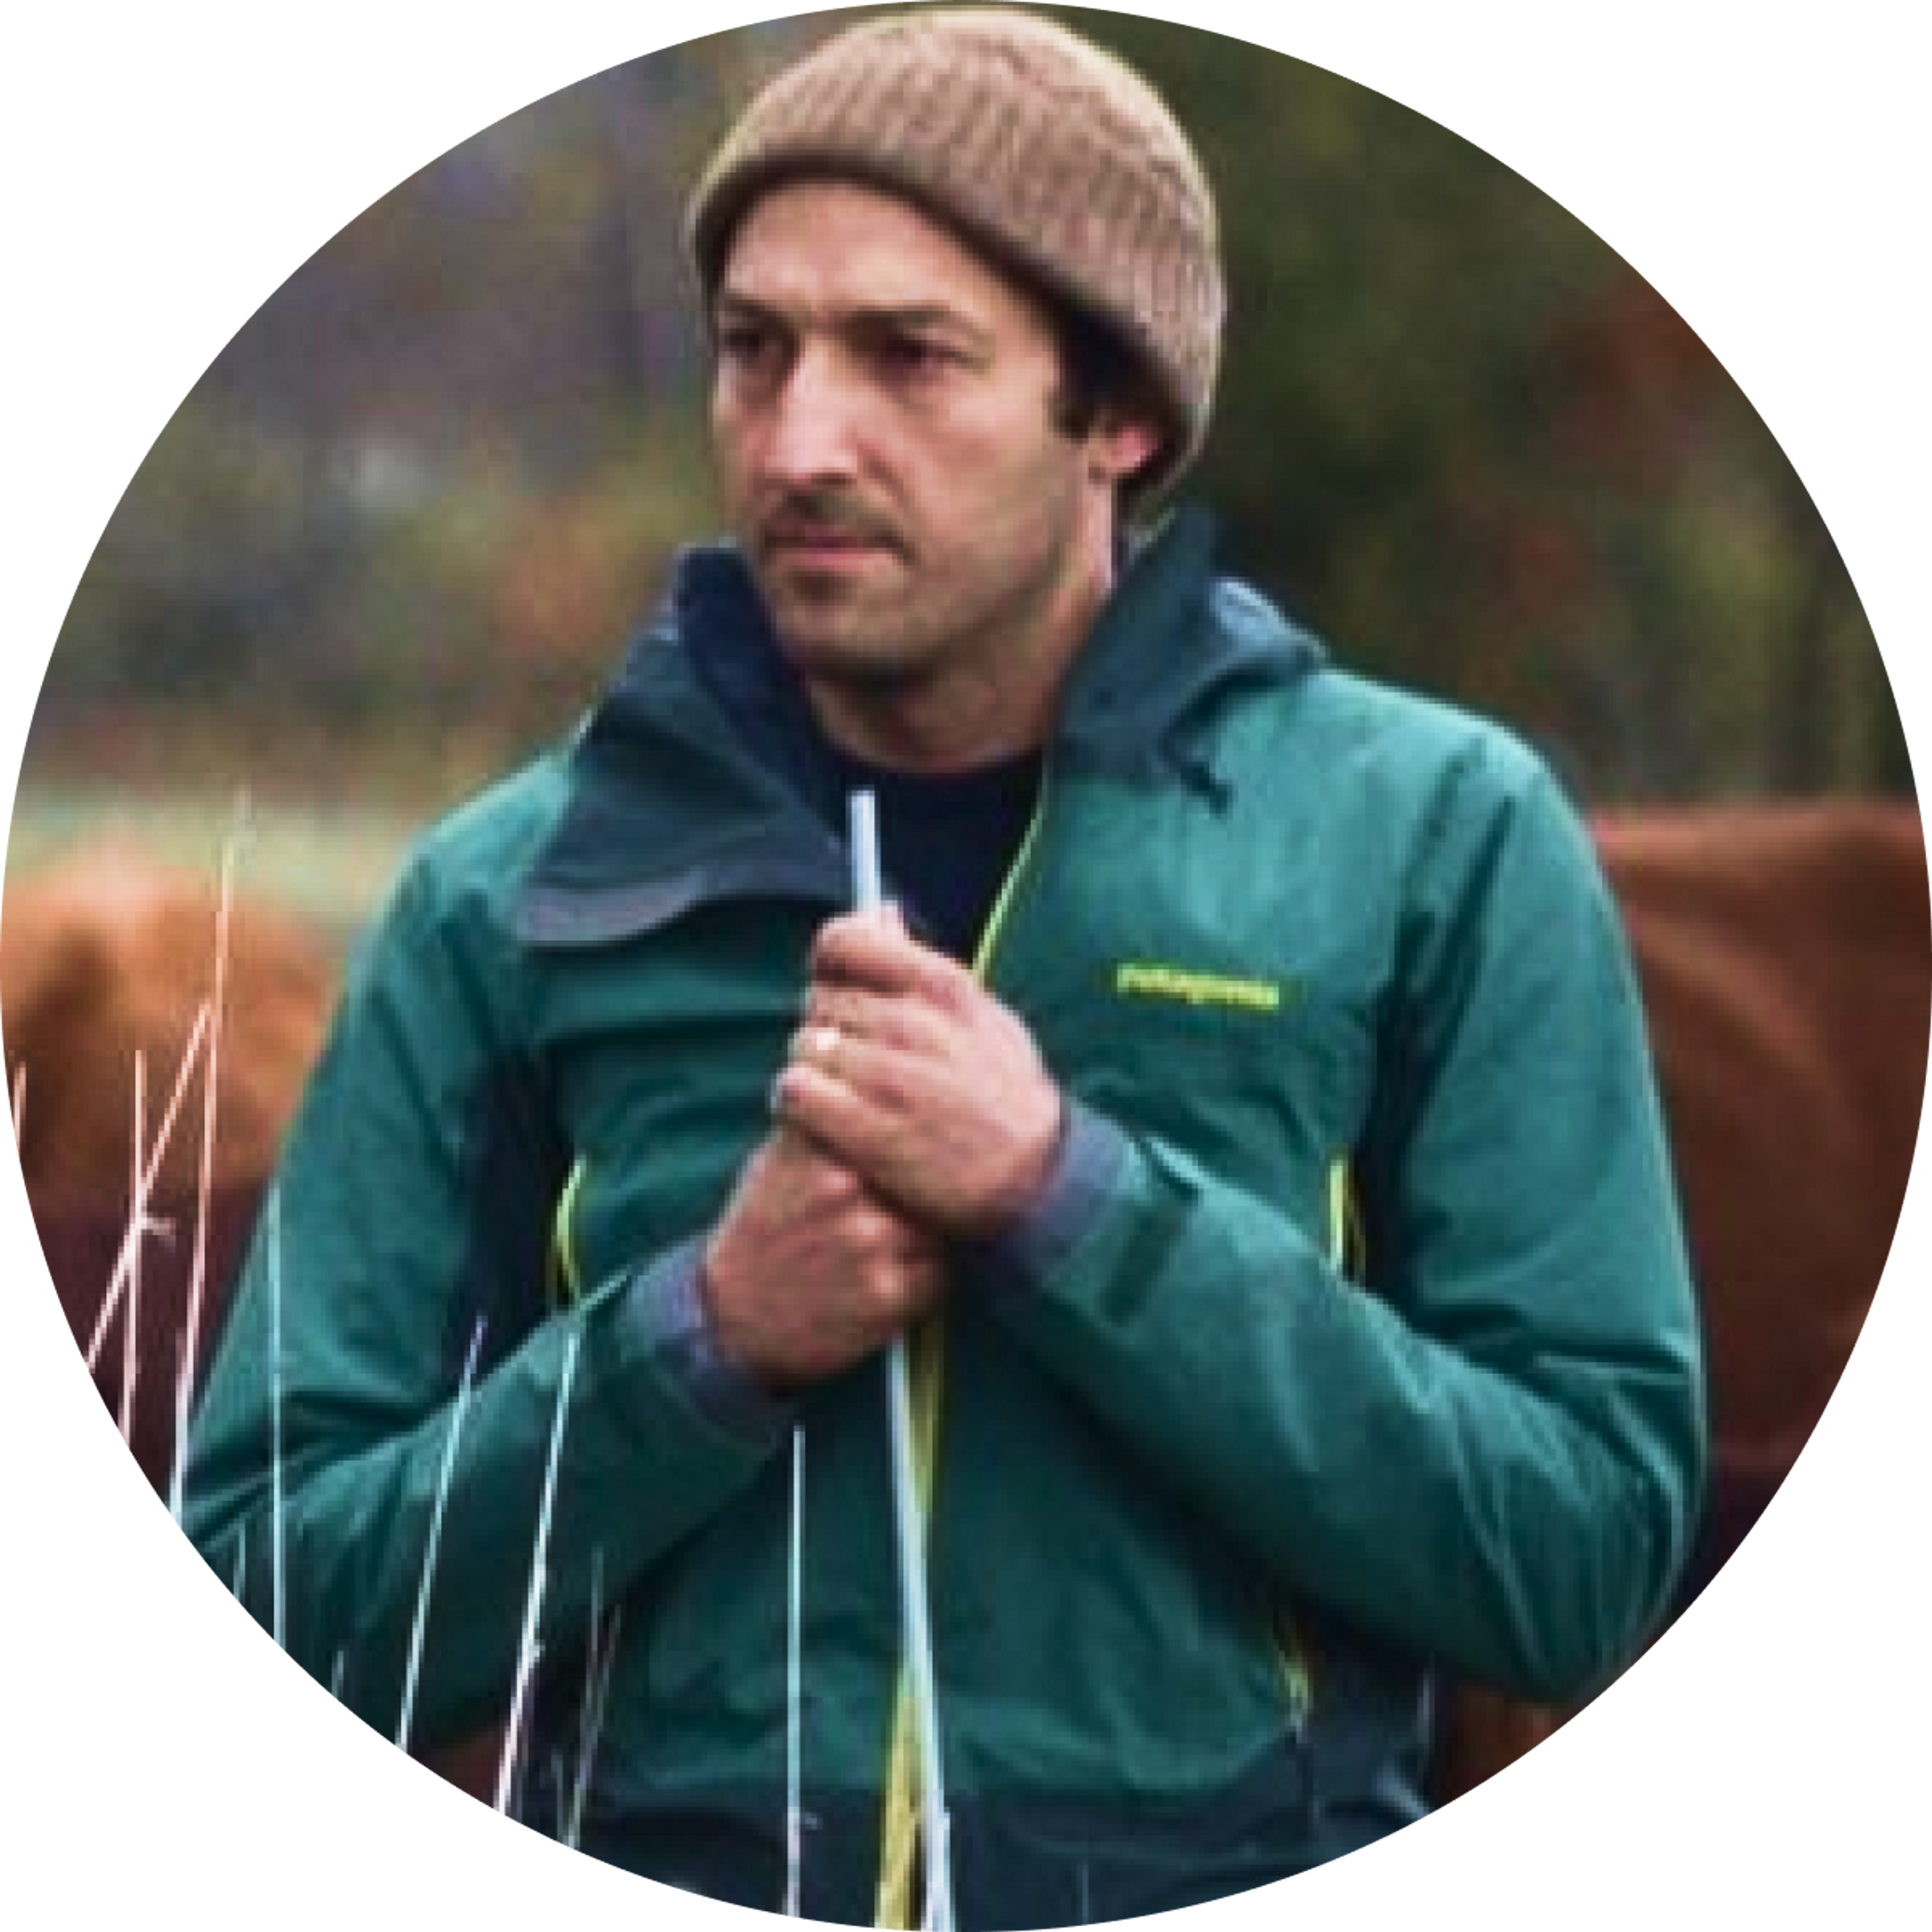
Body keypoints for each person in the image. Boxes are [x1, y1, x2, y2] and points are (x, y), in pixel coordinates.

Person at [184, 10, 1706, 1923]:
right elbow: (275, 1591)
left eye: (909, 356)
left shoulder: (1435, 841)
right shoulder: (508, 898)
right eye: (756, 349)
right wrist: (700, 1341)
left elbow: (1583, 1561)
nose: (800, 440)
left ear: (1118, 413)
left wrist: (1072, 1205)